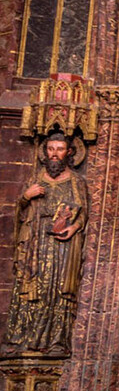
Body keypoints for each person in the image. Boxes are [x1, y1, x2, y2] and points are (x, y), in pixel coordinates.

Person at [4, 134, 87, 355]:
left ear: (69, 152)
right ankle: (21, 339)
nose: (54, 153)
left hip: (62, 244)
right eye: (51, 149)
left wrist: (74, 227)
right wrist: (25, 197)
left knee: (57, 288)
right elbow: (19, 212)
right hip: (35, 239)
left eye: (59, 149)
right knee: (30, 285)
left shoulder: (76, 181)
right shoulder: (35, 178)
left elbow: (83, 212)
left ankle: (56, 342)